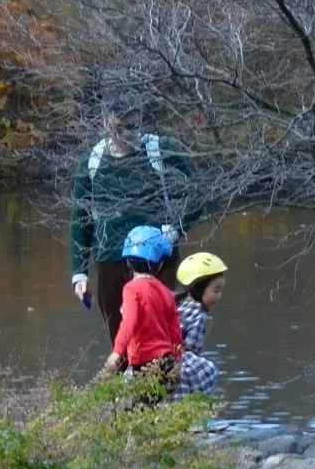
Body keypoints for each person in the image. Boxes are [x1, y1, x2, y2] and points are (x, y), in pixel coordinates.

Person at [70, 93, 201, 343]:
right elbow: (81, 218)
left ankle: (162, 379)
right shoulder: (92, 162)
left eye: (133, 126)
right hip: (109, 256)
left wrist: (173, 232)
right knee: (120, 337)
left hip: (156, 258)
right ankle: (125, 381)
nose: (127, 133)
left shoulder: (161, 151)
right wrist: (79, 273)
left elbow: (197, 195)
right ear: (106, 123)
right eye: (120, 127)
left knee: (156, 332)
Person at [100, 226, 183, 391]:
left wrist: (117, 352)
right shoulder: (166, 292)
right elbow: (175, 332)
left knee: (135, 409)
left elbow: (129, 322)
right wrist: (178, 360)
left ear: (128, 262)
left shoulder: (132, 289)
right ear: (159, 265)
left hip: (143, 364)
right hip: (166, 362)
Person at [171, 251, 226, 399]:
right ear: (200, 288)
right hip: (175, 361)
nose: (219, 296)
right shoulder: (198, 312)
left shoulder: (176, 301)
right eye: (216, 290)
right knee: (208, 371)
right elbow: (191, 347)